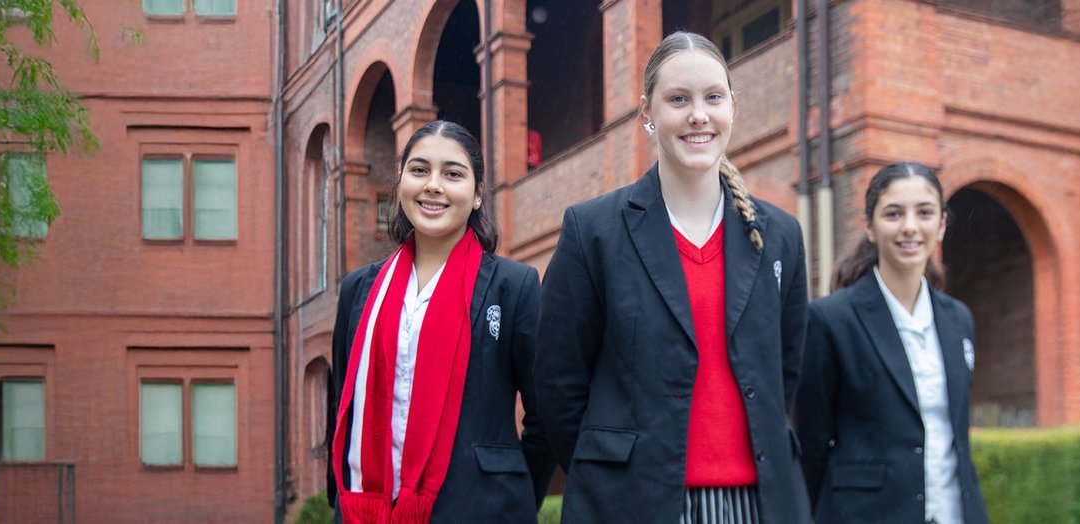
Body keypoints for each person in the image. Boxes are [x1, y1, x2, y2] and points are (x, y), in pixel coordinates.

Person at [535, 31, 812, 524]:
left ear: (732, 107)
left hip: (761, 503)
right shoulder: (593, 231)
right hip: (631, 502)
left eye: (713, 97)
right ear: (647, 112)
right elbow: (558, 382)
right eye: (678, 99)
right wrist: (611, 467)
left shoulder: (781, 236)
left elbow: (784, 371)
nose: (698, 115)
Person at [327, 120, 551, 523]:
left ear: (478, 193)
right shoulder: (359, 291)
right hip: (368, 512)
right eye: (419, 170)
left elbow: (545, 416)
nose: (433, 185)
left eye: (452, 173)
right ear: (400, 185)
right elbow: (341, 403)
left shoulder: (513, 287)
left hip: (483, 510)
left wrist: (512, 494)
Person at [794, 162, 990, 524]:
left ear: (942, 224)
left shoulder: (959, 319)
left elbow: (956, 437)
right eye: (894, 214)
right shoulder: (830, 320)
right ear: (870, 226)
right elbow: (812, 446)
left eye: (925, 212)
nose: (910, 227)